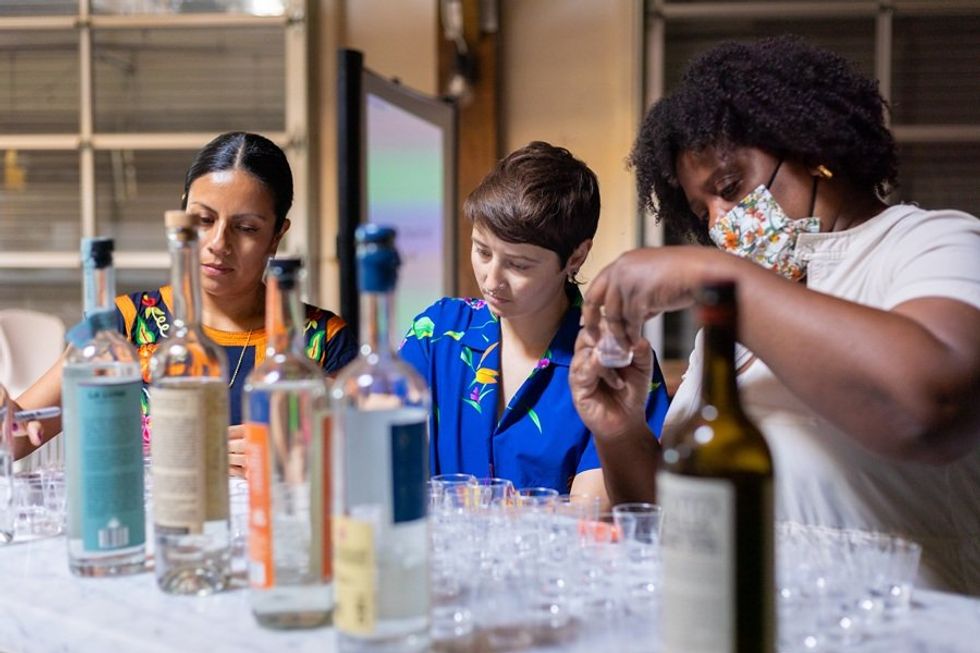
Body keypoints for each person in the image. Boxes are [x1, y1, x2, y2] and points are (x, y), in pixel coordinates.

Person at [568, 36, 980, 594]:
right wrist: (620, 430)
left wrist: (714, 276)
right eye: (701, 212)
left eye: (730, 187)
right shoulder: (736, 316)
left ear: (811, 149)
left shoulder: (934, 242)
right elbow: (683, 520)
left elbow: (930, 406)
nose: (719, 225)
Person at [12, 131, 359, 473]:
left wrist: (303, 455)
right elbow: (18, 436)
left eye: (247, 228)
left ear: (276, 237)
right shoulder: (121, 325)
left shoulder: (320, 341)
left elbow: (366, 460)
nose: (218, 243)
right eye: (204, 220)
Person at [399, 141, 671, 502]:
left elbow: (589, 518)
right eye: (482, 251)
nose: (492, 279)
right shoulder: (437, 335)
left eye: (519, 265)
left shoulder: (612, 361)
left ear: (576, 256)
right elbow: (379, 457)